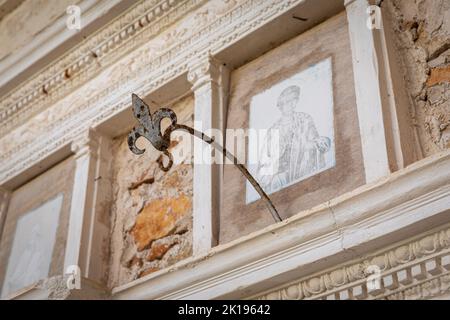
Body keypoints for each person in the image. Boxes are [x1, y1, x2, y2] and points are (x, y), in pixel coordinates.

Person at [256, 85, 331, 194]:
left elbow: (314, 142)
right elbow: (266, 158)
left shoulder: (305, 120)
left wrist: (318, 144)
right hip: (280, 176)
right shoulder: (273, 130)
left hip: (302, 171)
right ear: (281, 105)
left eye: (295, 100)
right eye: (289, 101)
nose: (292, 104)